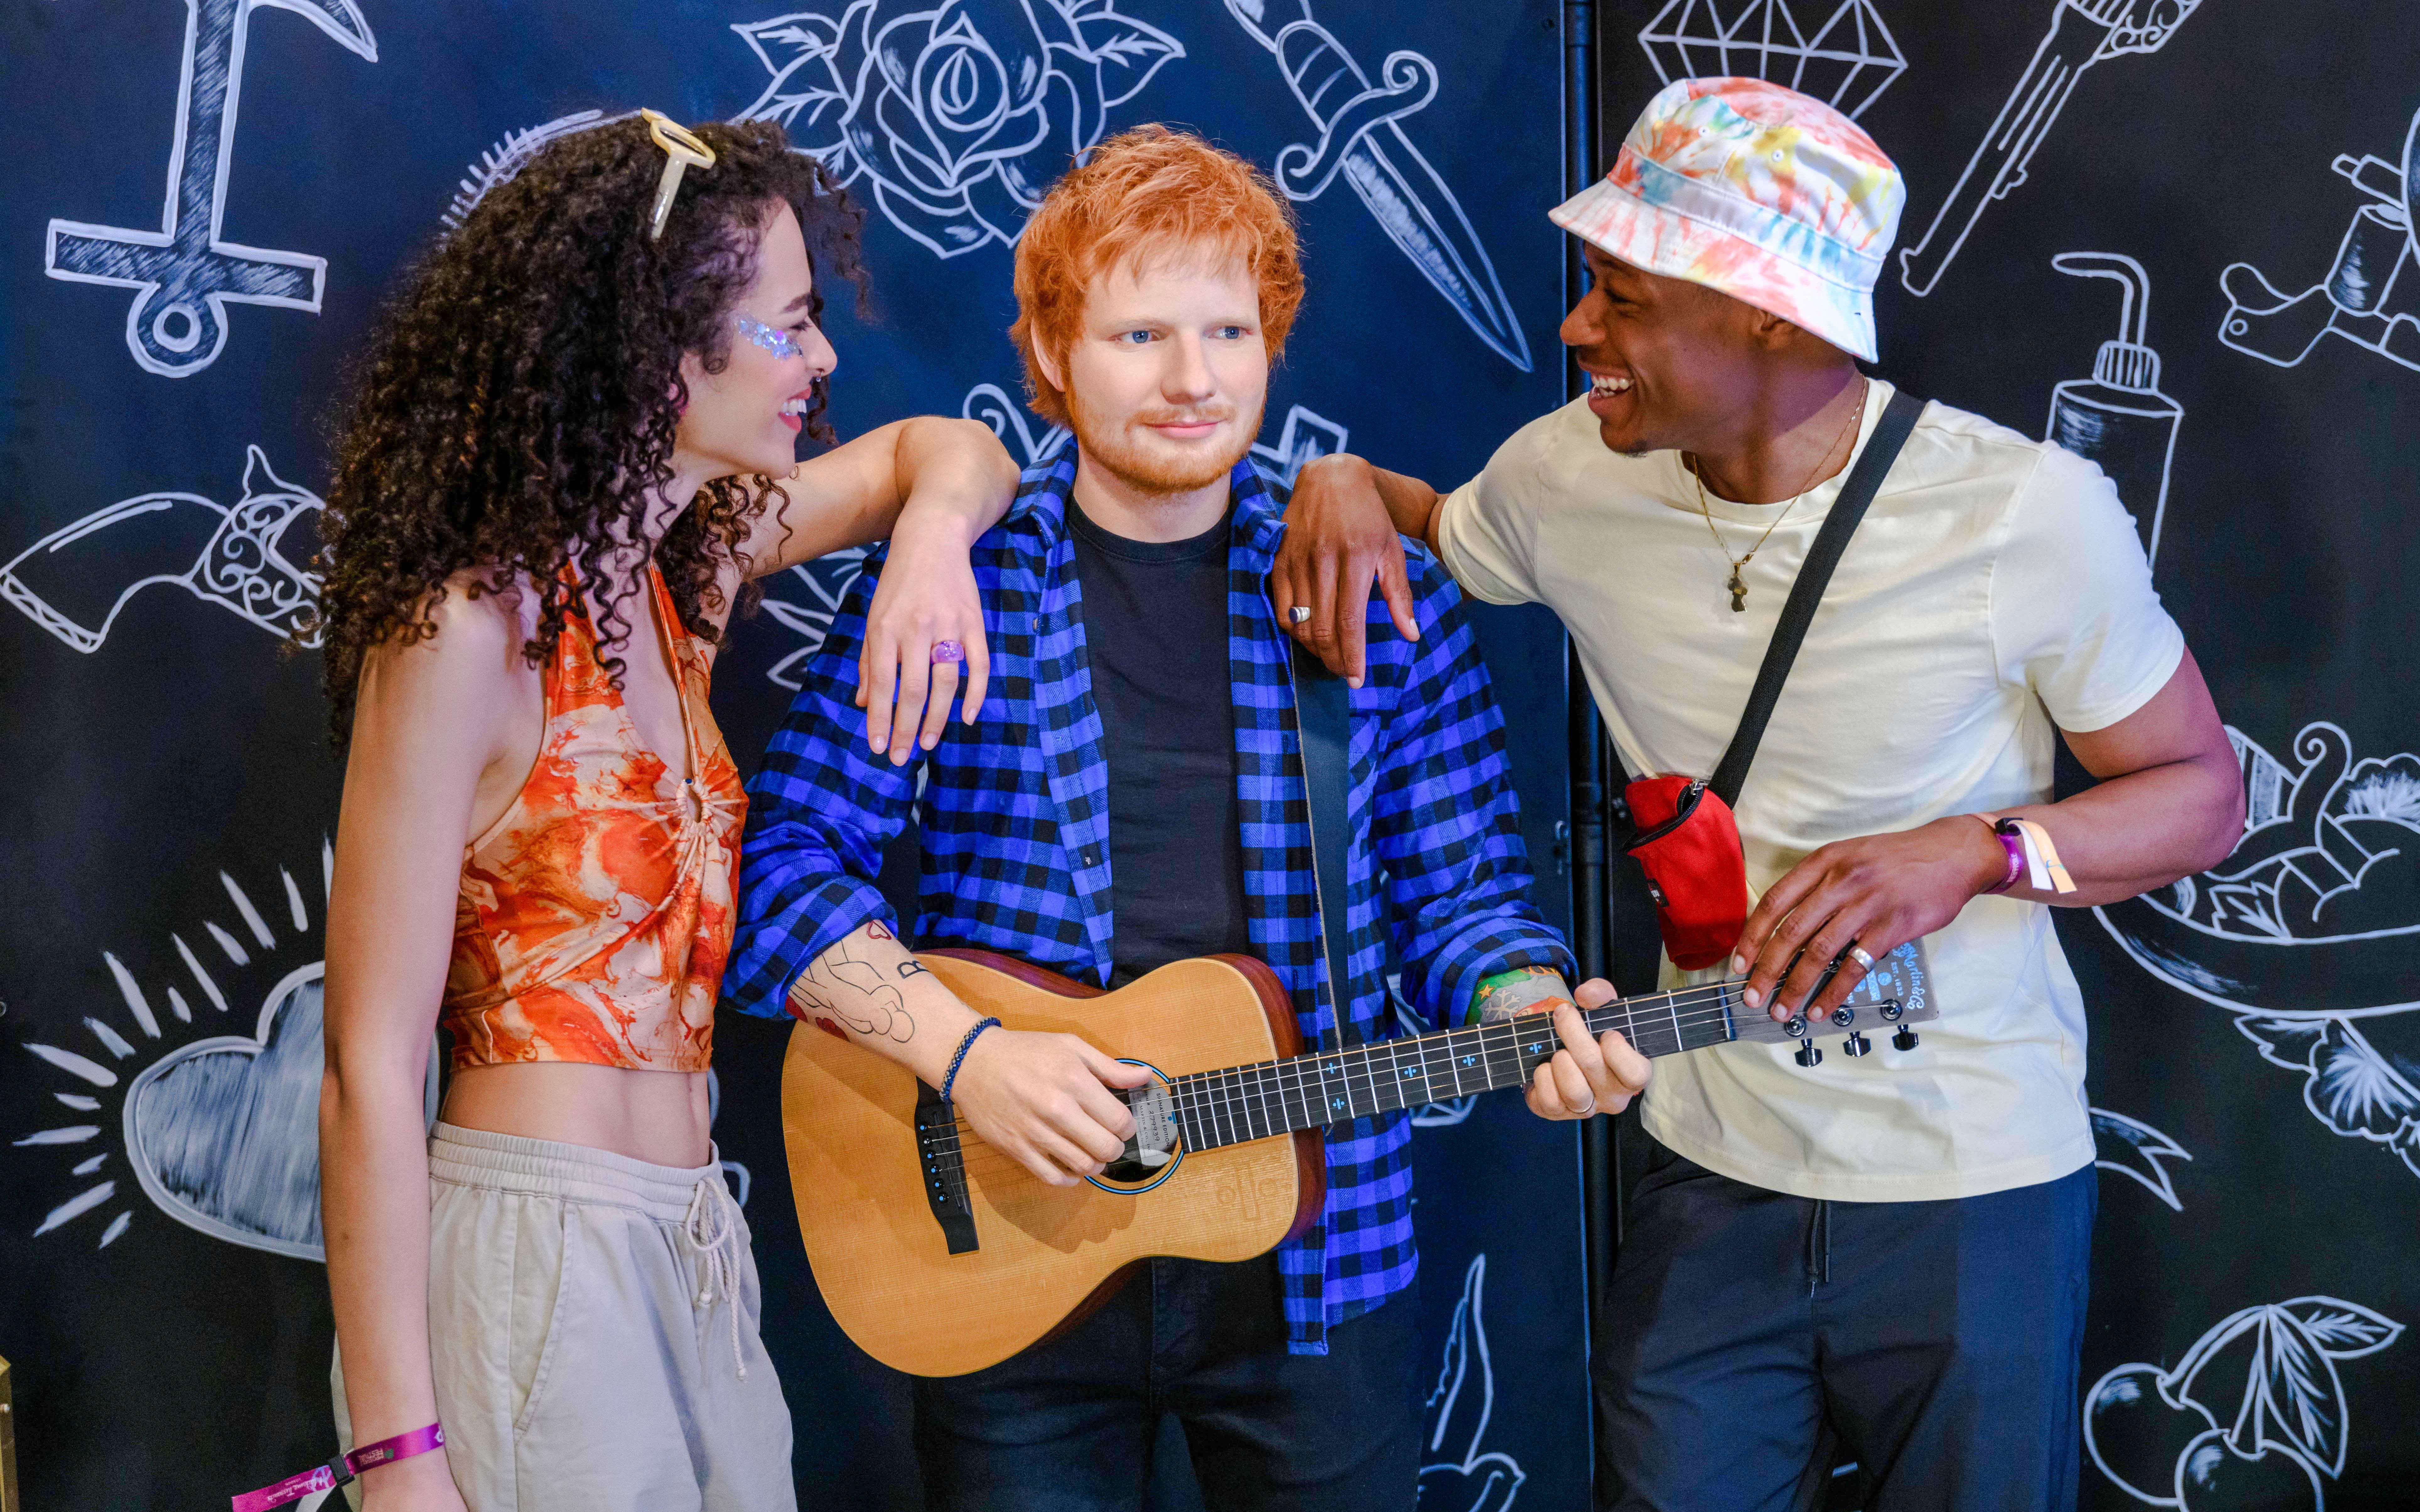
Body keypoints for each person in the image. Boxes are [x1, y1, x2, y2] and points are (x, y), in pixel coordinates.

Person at [1271, 78, 2245, 1510]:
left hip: (1969, 1188)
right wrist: (1347, 480)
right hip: (1702, 1173)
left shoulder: (2022, 516)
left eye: (1622, 298)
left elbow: (2198, 795)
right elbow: (1444, 526)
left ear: (1774, 321)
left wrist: (1973, 851)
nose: (1574, 330)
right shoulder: (1562, 475)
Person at [724, 125, 1615, 1512]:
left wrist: (1522, 1003)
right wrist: (966, 1058)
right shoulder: (959, 588)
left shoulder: (1373, 594)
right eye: (1139, 333)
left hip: (1317, 1262)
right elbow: (783, 868)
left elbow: (1466, 898)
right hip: (1001, 1247)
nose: (1192, 379)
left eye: (1227, 330)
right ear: (1047, 351)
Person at [315, 113, 1016, 1512]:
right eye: (789, 326)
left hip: (694, 1235)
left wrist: (931, 547)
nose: (821, 362)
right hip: (537, 1246)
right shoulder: (473, 625)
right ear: (659, 341)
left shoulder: (677, 571)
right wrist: (397, 1458)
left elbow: (954, 451)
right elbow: (365, 1066)